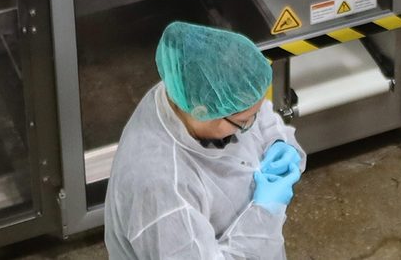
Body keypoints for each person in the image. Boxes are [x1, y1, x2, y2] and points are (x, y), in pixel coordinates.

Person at [105, 21, 306, 260]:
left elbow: (255, 113)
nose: (251, 125)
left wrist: (277, 142)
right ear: (201, 111)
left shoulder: (195, 89)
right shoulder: (161, 188)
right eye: (243, 122)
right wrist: (264, 214)